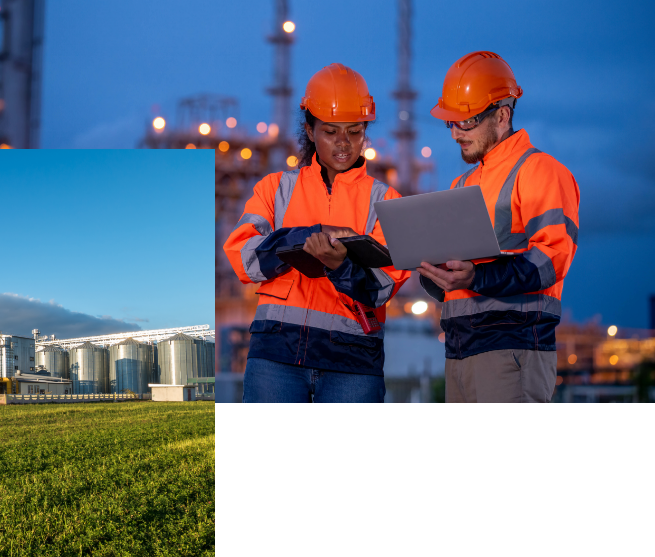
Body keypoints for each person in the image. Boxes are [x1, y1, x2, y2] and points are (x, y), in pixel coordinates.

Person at [223, 63, 410, 402]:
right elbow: (244, 258)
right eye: (331, 131)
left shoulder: (386, 200)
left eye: (354, 131)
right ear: (310, 130)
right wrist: (304, 239)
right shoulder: (275, 188)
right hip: (276, 355)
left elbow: (384, 286)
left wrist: (341, 266)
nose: (344, 143)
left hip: (352, 360)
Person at [418, 51, 580, 403]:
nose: (456, 134)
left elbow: (553, 258)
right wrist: (436, 272)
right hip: (459, 351)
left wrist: (476, 277)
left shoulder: (539, 171)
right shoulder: (460, 185)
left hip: (513, 351)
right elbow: (459, 279)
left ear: (503, 115)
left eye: (467, 122)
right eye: (452, 123)